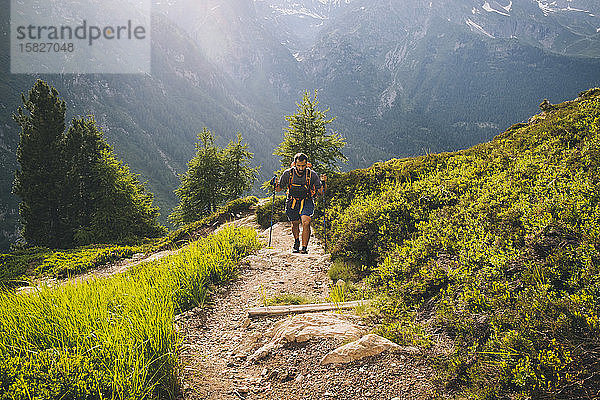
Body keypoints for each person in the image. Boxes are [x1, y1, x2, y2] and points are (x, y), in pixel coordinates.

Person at [272, 153, 327, 254]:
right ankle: (296, 242)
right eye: (299, 166)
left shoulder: (312, 175)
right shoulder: (288, 174)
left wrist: (323, 182)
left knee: (306, 222)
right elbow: (279, 189)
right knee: (295, 223)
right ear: (294, 164)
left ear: (307, 164)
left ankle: (304, 247)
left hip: (307, 200)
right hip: (292, 201)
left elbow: (321, 192)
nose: (301, 168)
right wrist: (275, 184)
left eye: (303, 166)